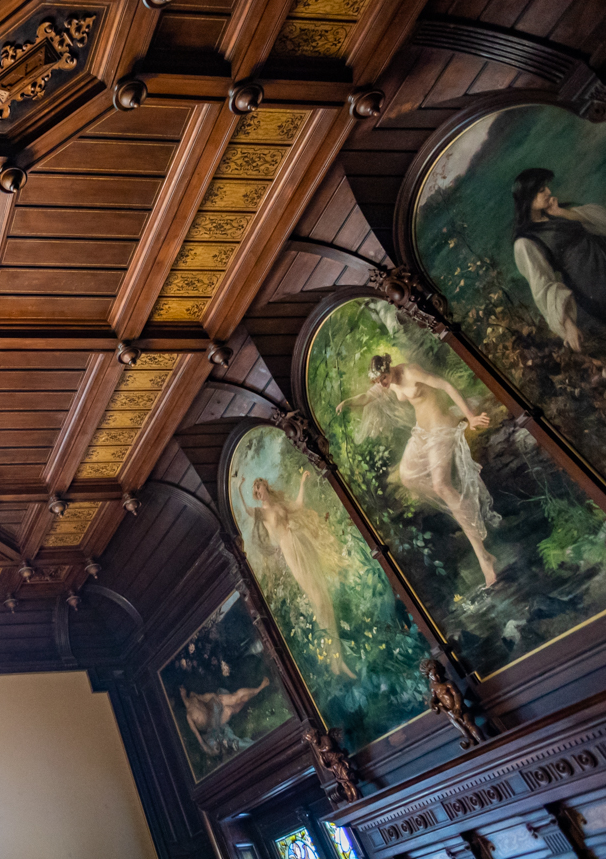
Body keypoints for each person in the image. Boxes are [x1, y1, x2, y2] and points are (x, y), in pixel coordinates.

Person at [338, 354, 500, 587]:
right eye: (379, 381)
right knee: (407, 476)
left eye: (384, 378)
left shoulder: (411, 372)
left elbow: (446, 385)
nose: (383, 384)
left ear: (389, 368)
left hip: (440, 429)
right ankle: (457, 501)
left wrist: (471, 417)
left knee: (441, 486)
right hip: (422, 433)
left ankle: (484, 557)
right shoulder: (388, 383)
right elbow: (366, 397)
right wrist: (347, 402)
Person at [231, 472, 357, 678]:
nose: (258, 493)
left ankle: (338, 658)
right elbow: (246, 511)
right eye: (255, 491)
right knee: (316, 599)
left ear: (265, 486)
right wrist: (238, 489)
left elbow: (298, 506)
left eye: (258, 488)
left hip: (301, 543)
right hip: (290, 550)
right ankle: (334, 658)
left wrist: (302, 482)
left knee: (323, 594)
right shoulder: (261, 512)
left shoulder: (279, 505)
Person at [511, 168, 606, 352]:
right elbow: (544, 288)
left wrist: (561, 212)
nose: (549, 192)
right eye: (541, 190)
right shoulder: (525, 242)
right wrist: (568, 325)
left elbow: (600, 220)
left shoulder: (556, 212)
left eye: (546, 187)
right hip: (593, 289)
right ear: (527, 198)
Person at [179, 678, 270, 757]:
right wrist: (208, 749)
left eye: (182, 688)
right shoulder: (189, 716)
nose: (183, 690)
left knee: (234, 698)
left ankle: (259, 688)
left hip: (214, 707)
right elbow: (198, 736)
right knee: (231, 710)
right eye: (180, 689)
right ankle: (253, 696)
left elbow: (206, 697)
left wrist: (214, 697)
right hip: (214, 724)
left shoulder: (193, 696)